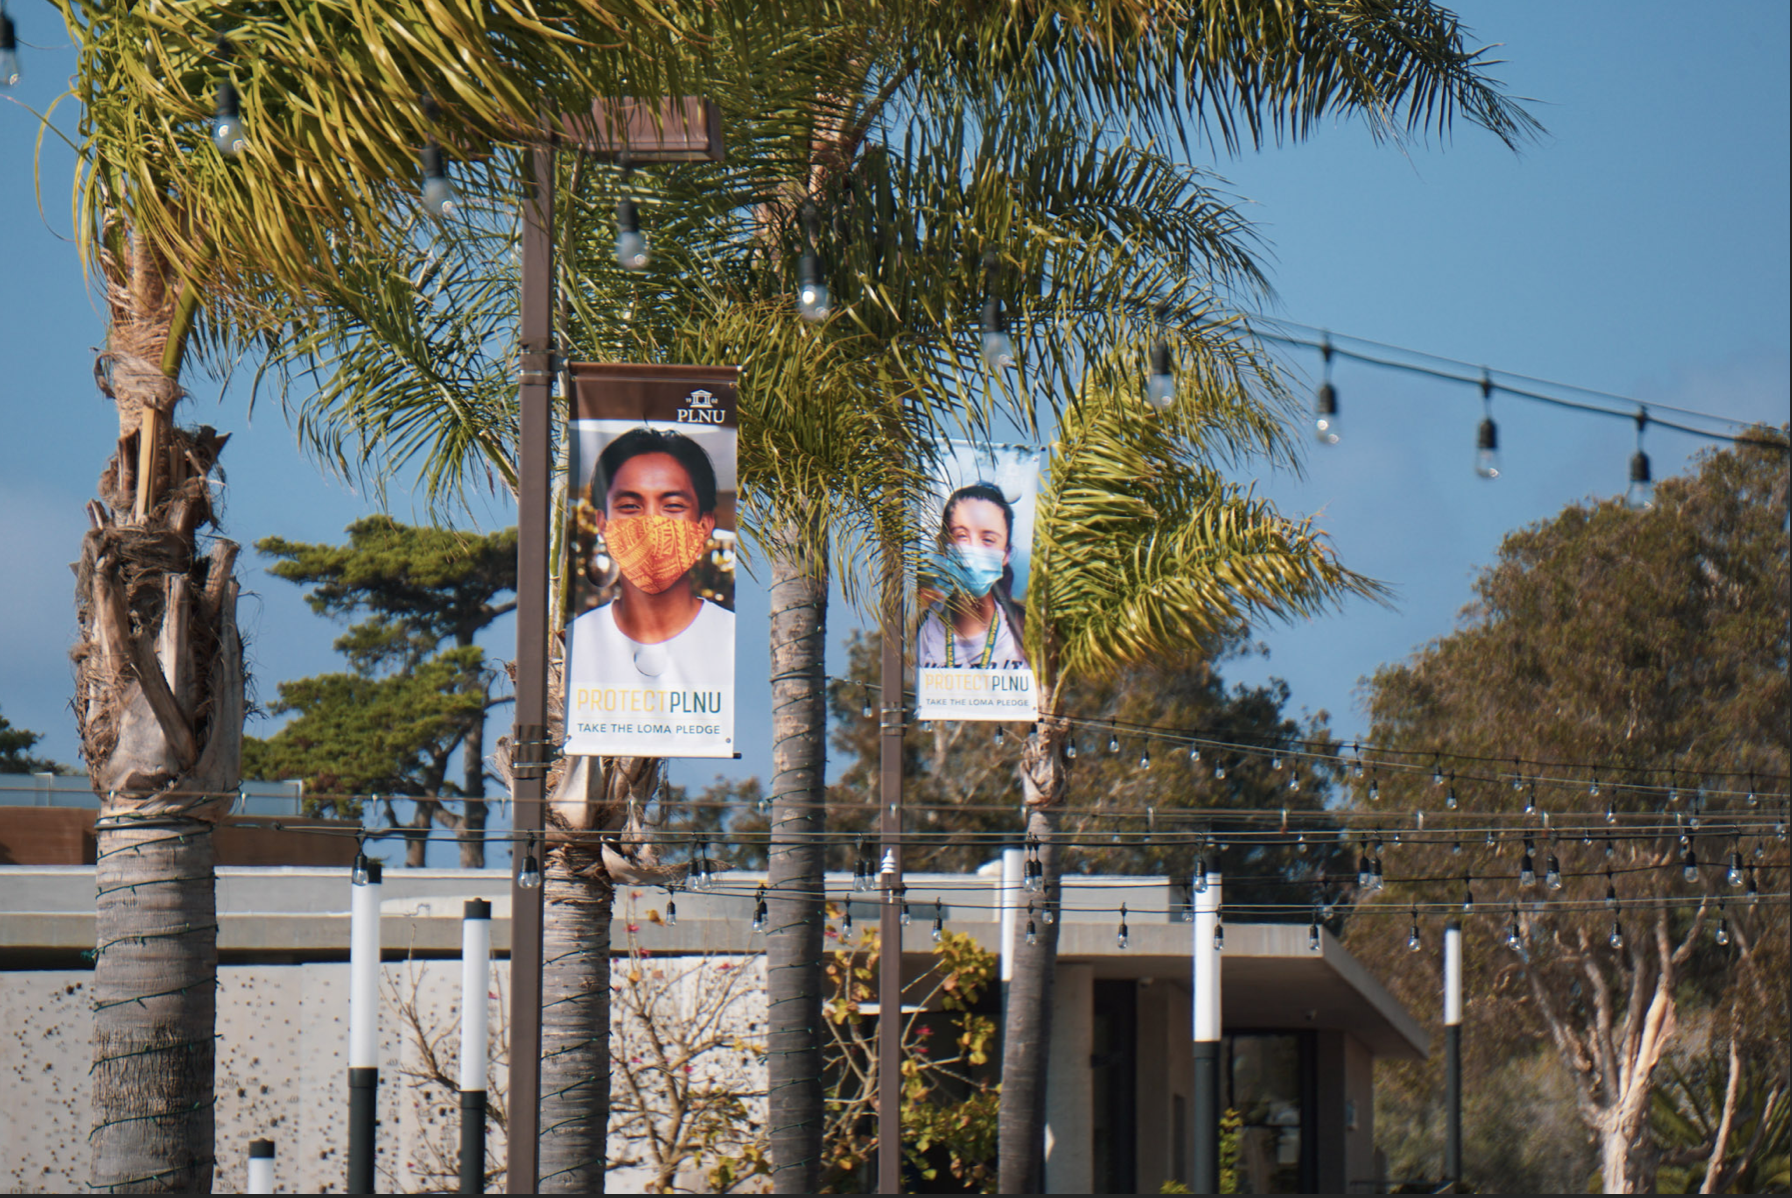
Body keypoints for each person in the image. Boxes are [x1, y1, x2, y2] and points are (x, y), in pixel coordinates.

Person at [567, 428, 733, 688]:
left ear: (704, 525)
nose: (650, 526)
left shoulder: (731, 638)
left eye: (673, 506)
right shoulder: (576, 643)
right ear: (603, 524)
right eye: (630, 507)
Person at [915, 482, 1029, 670]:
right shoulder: (926, 628)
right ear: (944, 547)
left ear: (1005, 555)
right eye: (961, 536)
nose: (972, 549)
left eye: (987, 540)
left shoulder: (1021, 629)